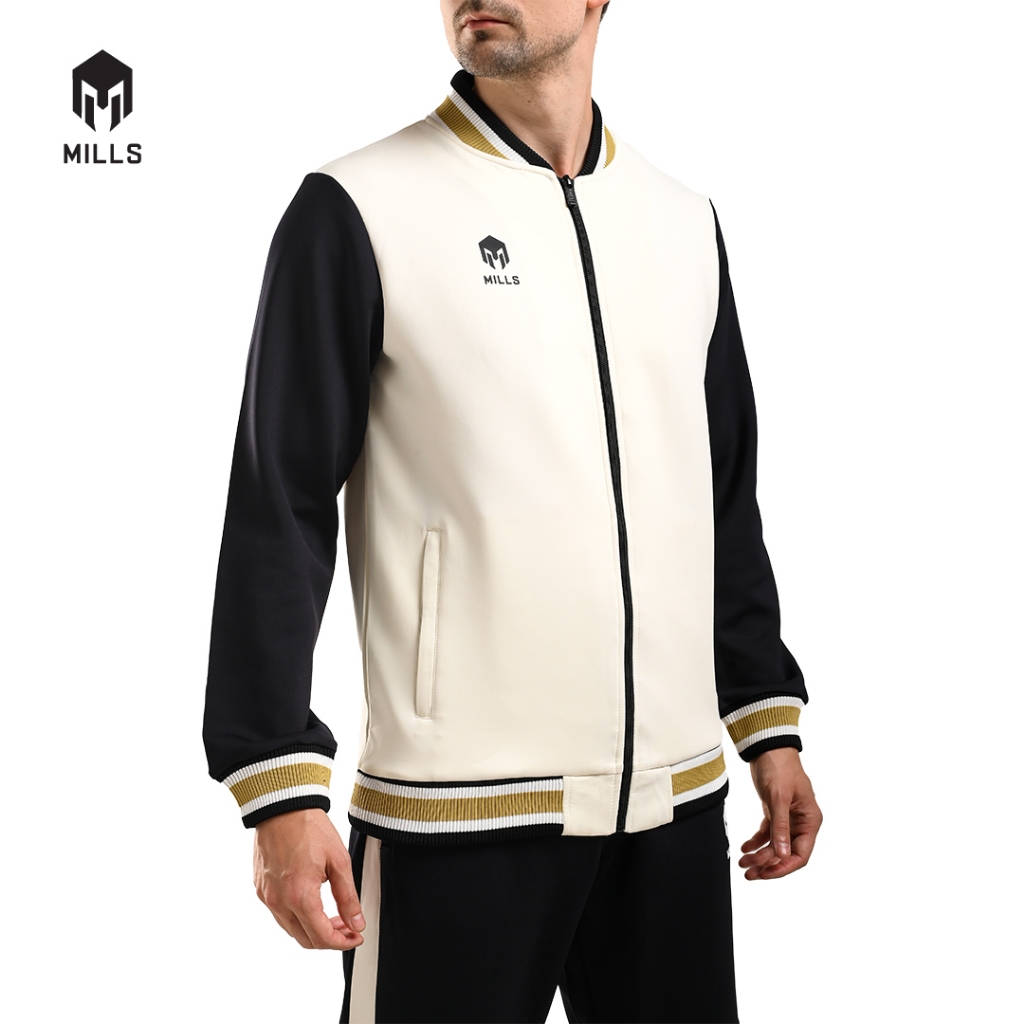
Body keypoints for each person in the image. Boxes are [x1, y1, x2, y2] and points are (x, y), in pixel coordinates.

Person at [202, 2, 823, 1021]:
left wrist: (768, 723)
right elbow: (281, 503)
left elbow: (721, 494)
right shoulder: (359, 207)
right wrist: (275, 781)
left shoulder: (681, 221)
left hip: (672, 808)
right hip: (452, 819)